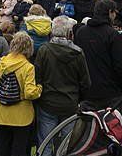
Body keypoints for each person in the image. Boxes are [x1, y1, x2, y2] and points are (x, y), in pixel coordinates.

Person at [0, 32, 42, 156]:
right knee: (17, 152)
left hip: (1, 113)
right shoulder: (28, 67)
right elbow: (29, 93)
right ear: (29, 48)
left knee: (3, 150)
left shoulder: (2, 62)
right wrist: (39, 88)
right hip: (21, 116)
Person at [33, 14, 90, 143]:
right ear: (69, 32)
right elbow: (85, 81)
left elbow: (38, 76)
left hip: (48, 102)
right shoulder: (78, 53)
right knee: (66, 144)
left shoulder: (44, 50)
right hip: (69, 102)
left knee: (45, 142)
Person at [74, 0, 122, 109]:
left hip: (87, 92)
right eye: (114, 13)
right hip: (110, 94)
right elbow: (120, 67)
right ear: (110, 12)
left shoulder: (81, 33)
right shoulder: (113, 35)